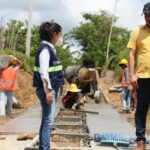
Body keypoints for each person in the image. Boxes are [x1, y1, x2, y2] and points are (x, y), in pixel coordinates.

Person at [33, 21, 64, 150]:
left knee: (46, 119)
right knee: (48, 121)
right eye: (60, 34)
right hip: (47, 90)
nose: (60, 37)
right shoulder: (45, 50)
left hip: (49, 89)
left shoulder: (49, 48)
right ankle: (45, 147)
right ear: (55, 34)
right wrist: (49, 91)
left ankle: (44, 146)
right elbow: (44, 72)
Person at [127, 2, 150, 150]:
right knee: (141, 109)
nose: (148, 18)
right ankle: (140, 141)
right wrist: (132, 75)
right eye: (146, 15)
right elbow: (131, 54)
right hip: (142, 77)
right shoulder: (137, 31)